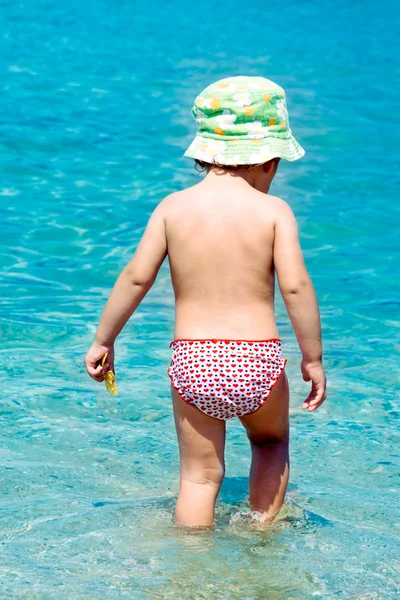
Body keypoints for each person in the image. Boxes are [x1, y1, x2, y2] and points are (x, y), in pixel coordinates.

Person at [85, 76, 327, 528]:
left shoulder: (172, 207)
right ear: (270, 159)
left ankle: (191, 569)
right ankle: (261, 537)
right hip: (257, 359)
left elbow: (137, 277)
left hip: (195, 359)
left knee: (199, 477)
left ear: (205, 152)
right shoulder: (274, 212)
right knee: (270, 445)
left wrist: (104, 339)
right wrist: (312, 358)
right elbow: (295, 288)